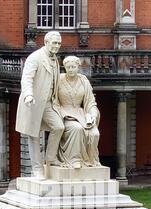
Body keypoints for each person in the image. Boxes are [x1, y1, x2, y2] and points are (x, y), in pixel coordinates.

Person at [16, 31, 64, 179]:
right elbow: (27, 78)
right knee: (34, 136)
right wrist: (28, 94)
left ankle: (50, 158)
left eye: (59, 43)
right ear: (46, 42)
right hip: (33, 103)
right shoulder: (35, 57)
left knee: (59, 127)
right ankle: (37, 169)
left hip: (49, 103)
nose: (57, 46)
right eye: (54, 43)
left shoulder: (55, 59)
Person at [56, 56, 101, 169]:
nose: (71, 69)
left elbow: (90, 102)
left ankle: (91, 160)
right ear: (64, 68)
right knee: (77, 129)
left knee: (94, 134)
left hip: (81, 114)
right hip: (64, 113)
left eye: (73, 67)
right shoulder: (59, 80)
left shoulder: (83, 80)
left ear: (78, 67)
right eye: (68, 67)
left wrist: (93, 115)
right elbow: (53, 100)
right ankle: (74, 159)